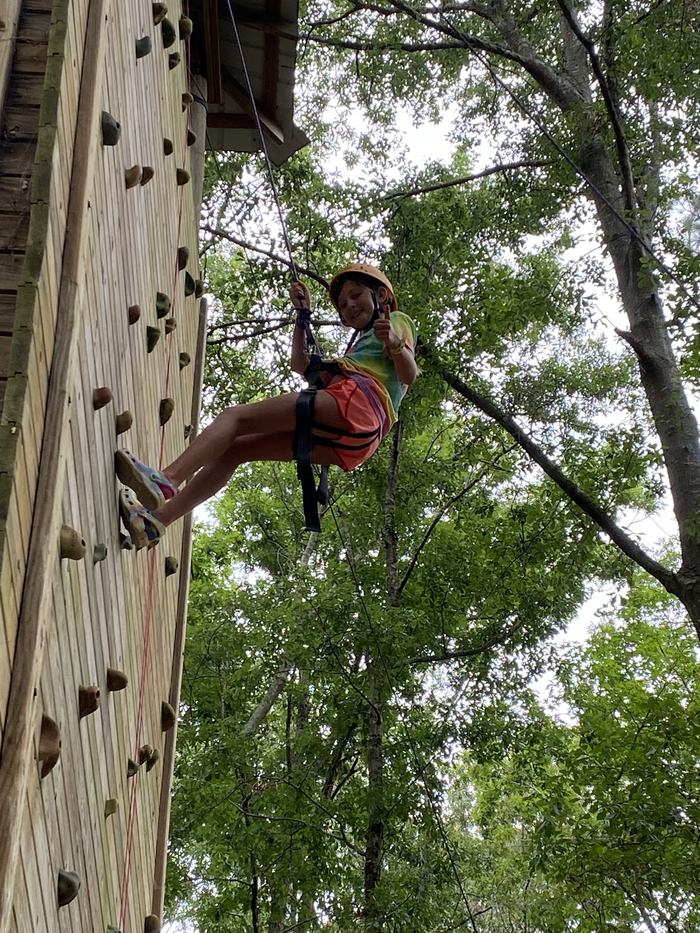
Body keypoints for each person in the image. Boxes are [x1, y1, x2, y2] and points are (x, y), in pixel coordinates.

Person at [117, 262, 418, 548]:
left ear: (380, 295)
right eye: (342, 304)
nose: (349, 305)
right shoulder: (361, 350)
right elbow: (300, 364)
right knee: (238, 448)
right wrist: (302, 317)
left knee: (236, 417)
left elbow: (409, 373)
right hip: (357, 439)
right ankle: (155, 522)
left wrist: (394, 342)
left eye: (356, 295)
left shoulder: (394, 322)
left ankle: (166, 480)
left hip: (356, 406)